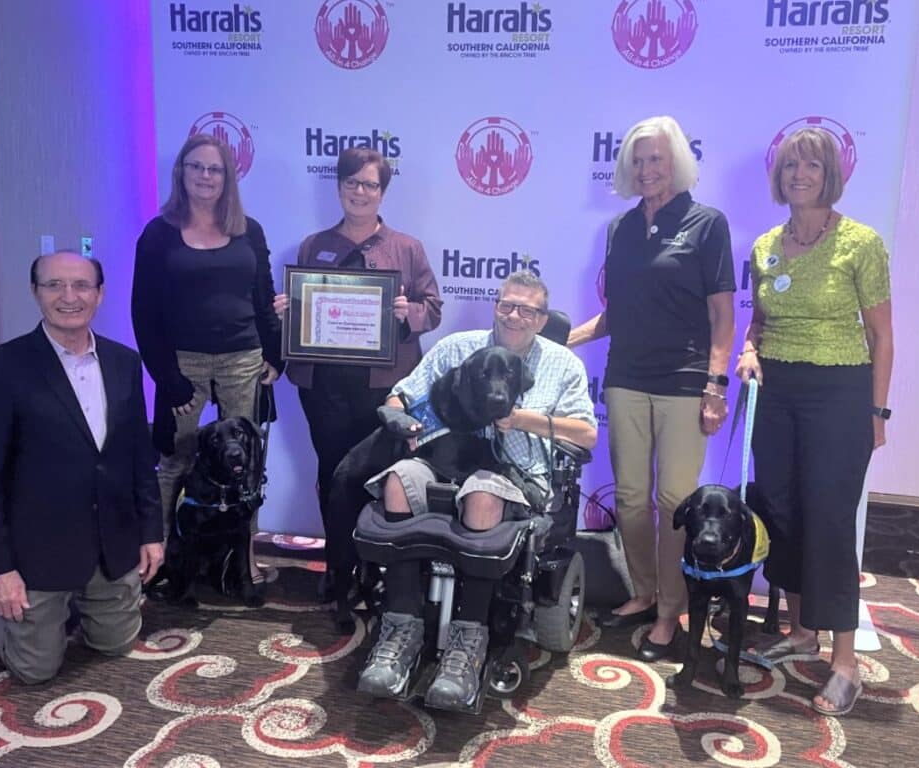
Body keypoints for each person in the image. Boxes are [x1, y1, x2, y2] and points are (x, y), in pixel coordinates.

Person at [357, 271, 597, 708]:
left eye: (527, 309)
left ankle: (468, 643)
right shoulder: (457, 348)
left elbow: (587, 435)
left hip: (514, 474)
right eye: (507, 305)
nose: (515, 316)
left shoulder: (563, 365)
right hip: (442, 461)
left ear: (543, 319)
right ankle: (401, 629)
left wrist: (522, 419)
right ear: (495, 306)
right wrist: (397, 417)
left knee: (482, 497)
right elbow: (402, 395)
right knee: (397, 483)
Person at [737, 127, 893, 717]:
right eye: (789, 165)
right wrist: (749, 352)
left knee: (829, 520)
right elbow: (758, 324)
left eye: (811, 165)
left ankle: (845, 660)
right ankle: (802, 630)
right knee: (780, 509)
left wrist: (877, 412)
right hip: (777, 392)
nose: (798, 174)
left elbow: (882, 335)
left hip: (840, 393)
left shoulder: (861, 243)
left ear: (831, 173)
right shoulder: (765, 246)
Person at [568, 115, 735, 661]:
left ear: (678, 163)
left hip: (686, 382)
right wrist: (560, 340)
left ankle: (672, 608)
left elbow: (721, 315)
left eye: (656, 159)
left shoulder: (708, 224)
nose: (646, 170)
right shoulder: (618, 229)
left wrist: (716, 384)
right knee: (634, 501)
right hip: (626, 378)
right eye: (637, 161)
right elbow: (616, 314)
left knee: (673, 501)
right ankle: (643, 591)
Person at [272, 147, 442, 604]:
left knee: (378, 475)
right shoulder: (314, 245)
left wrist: (411, 313)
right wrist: (288, 311)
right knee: (332, 472)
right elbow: (304, 313)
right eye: (352, 183)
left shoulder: (407, 248)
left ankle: (376, 567)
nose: (360, 192)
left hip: (383, 388)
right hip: (324, 385)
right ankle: (338, 567)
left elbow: (434, 308)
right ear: (339, 188)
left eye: (370, 184)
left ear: (383, 192)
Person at [0, 251, 164, 684]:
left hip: (110, 543)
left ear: (100, 294)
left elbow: (140, 456)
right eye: (54, 285)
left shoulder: (125, 363)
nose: (69, 296)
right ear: (35, 292)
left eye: (82, 285)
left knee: (116, 645)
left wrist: (150, 532)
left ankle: (84, 603)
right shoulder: (2, 366)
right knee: (35, 670)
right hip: (37, 553)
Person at [132, 134, 282, 589]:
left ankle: (246, 562)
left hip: (243, 357)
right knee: (175, 462)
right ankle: (154, 561)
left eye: (214, 169)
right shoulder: (159, 233)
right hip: (183, 364)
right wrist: (166, 376)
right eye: (195, 167)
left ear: (227, 177)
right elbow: (144, 312)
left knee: (247, 464)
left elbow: (263, 297)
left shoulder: (249, 230)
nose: (205, 176)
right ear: (181, 172)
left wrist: (275, 356)